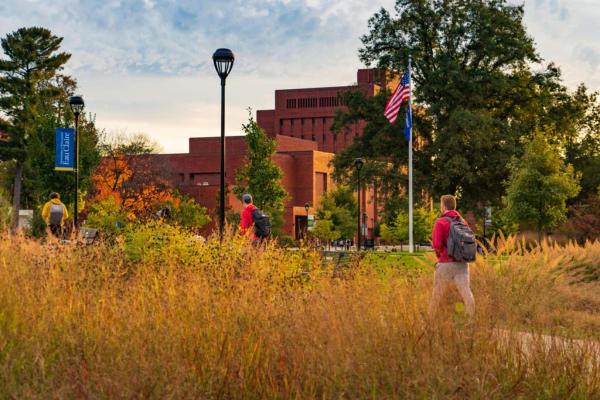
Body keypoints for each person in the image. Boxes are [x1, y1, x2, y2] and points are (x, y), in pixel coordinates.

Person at [429, 194, 475, 317]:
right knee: (466, 292)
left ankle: (430, 319)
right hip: (462, 263)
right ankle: (471, 319)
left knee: (437, 294)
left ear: (443, 206)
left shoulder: (440, 222)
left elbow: (437, 244)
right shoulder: (463, 222)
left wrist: (441, 257)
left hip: (445, 262)